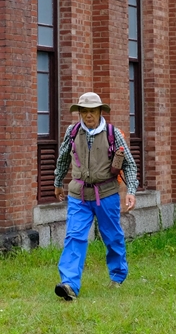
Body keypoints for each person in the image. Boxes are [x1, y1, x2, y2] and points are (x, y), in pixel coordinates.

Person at [52, 92, 138, 301]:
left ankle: (117, 276)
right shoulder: (72, 132)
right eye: (84, 111)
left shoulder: (113, 133)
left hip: (106, 193)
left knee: (112, 236)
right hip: (78, 195)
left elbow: (129, 164)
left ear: (100, 111)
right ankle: (69, 284)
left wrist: (131, 191)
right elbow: (63, 159)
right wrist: (58, 182)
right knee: (74, 236)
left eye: (92, 111)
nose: (88, 115)